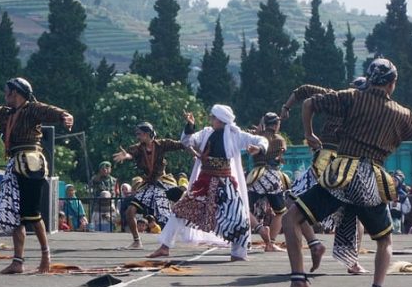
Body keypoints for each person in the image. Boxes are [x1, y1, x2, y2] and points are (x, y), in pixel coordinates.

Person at [279, 58, 412, 287]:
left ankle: (298, 280)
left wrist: (309, 134)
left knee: (290, 218)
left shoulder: (351, 97)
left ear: (368, 79)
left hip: (340, 174)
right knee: (384, 240)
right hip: (370, 180)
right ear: (392, 83)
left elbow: (310, 103)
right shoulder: (402, 114)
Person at [0, 63, 73, 274]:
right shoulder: (6, 114)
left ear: (16, 93)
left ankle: (45, 256)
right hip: (14, 165)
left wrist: (65, 116)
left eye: (7, 93)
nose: (5, 96)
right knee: (14, 214)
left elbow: (51, 111)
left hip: (31, 164)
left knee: (31, 213)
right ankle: (18, 261)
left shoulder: (32, 109)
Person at [147, 105, 268, 261]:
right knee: (180, 210)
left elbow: (262, 139)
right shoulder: (206, 133)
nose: (210, 119)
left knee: (240, 220)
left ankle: (238, 254)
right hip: (204, 183)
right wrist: (190, 126)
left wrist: (259, 148)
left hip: (225, 185)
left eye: (213, 117)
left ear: (221, 120)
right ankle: (164, 247)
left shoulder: (235, 135)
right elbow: (186, 141)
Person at [281, 78, 370, 274]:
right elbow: (305, 93)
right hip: (333, 161)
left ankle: (328, 250)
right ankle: (317, 245)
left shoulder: (345, 101)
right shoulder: (340, 99)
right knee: (292, 201)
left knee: (293, 202)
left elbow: (304, 94)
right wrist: (307, 132)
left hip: (338, 162)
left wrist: (290, 111)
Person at [112, 122, 188, 249]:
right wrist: (127, 156)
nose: (138, 137)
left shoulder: (162, 144)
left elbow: (181, 144)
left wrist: (191, 135)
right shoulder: (138, 148)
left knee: (175, 205)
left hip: (163, 182)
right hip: (148, 184)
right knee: (130, 211)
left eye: (140, 134)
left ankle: (184, 231)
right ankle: (137, 241)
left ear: (147, 134)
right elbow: (131, 154)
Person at [246, 112, 289, 252]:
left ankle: (258, 229)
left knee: (244, 207)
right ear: (276, 125)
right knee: (280, 212)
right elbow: (281, 153)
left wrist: (258, 131)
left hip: (256, 176)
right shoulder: (280, 139)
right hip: (273, 176)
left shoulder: (257, 138)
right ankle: (270, 243)